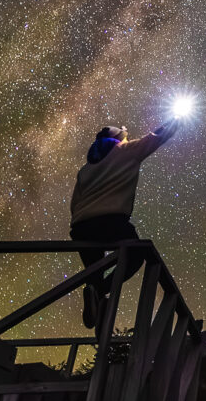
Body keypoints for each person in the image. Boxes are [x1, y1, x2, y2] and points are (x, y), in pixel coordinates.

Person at [70, 118, 180, 333]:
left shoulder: (85, 169)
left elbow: (74, 204)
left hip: (81, 227)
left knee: (94, 273)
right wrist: (176, 119)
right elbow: (157, 137)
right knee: (136, 254)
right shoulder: (126, 150)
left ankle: (99, 310)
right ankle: (101, 294)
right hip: (111, 222)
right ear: (119, 137)